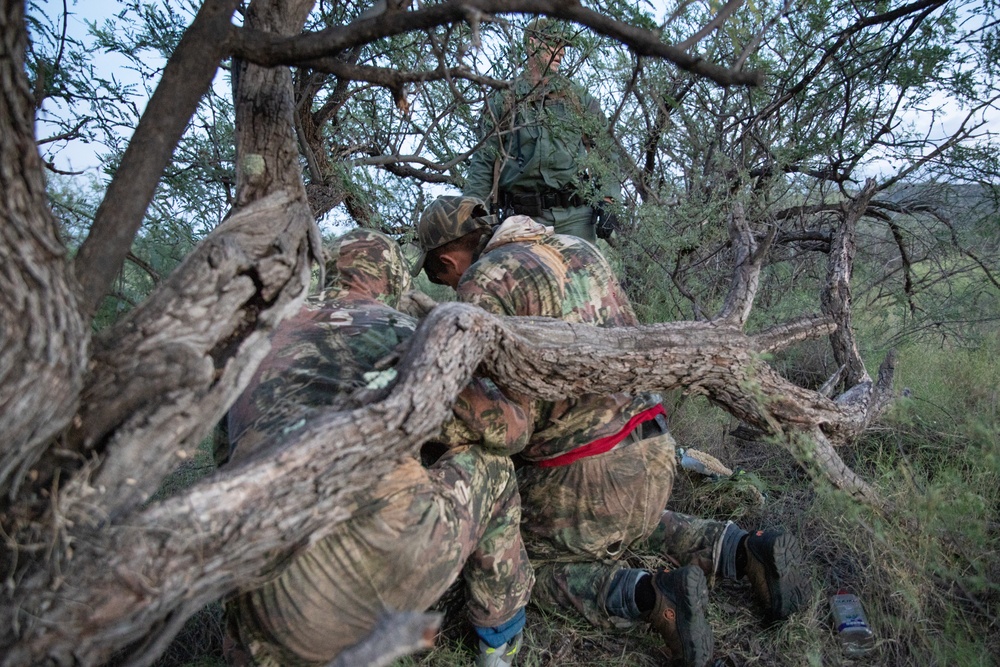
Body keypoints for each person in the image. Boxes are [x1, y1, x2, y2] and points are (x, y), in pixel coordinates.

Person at [414, 196, 810, 667]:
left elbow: (509, 428)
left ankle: (650, 597)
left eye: (446, 279)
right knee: (621, 525)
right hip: (655, 449)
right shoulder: (579, 248)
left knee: (522, 563)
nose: (453, 285)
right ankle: (746, 550)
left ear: (447, 260)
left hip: (587, 475)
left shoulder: (485, 281)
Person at [222, 229, 534, 667]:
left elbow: (224, 454)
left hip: (259, 572)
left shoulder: (259, 338)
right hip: (372, 568)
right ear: (392, 281)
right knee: (493, 466)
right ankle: (498, 640)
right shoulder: (403, 330)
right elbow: (506, 431)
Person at [462, 17, 622, 244]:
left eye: (564, 45)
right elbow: (483, 164)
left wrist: (609, 200)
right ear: (532, 43)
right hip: (521, 221)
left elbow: (606, 151)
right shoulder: (503, 101)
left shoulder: (579, 99)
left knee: (581, 280)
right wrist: (474, 218)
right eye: (553, 43)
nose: (561, 52)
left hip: (574, 219)